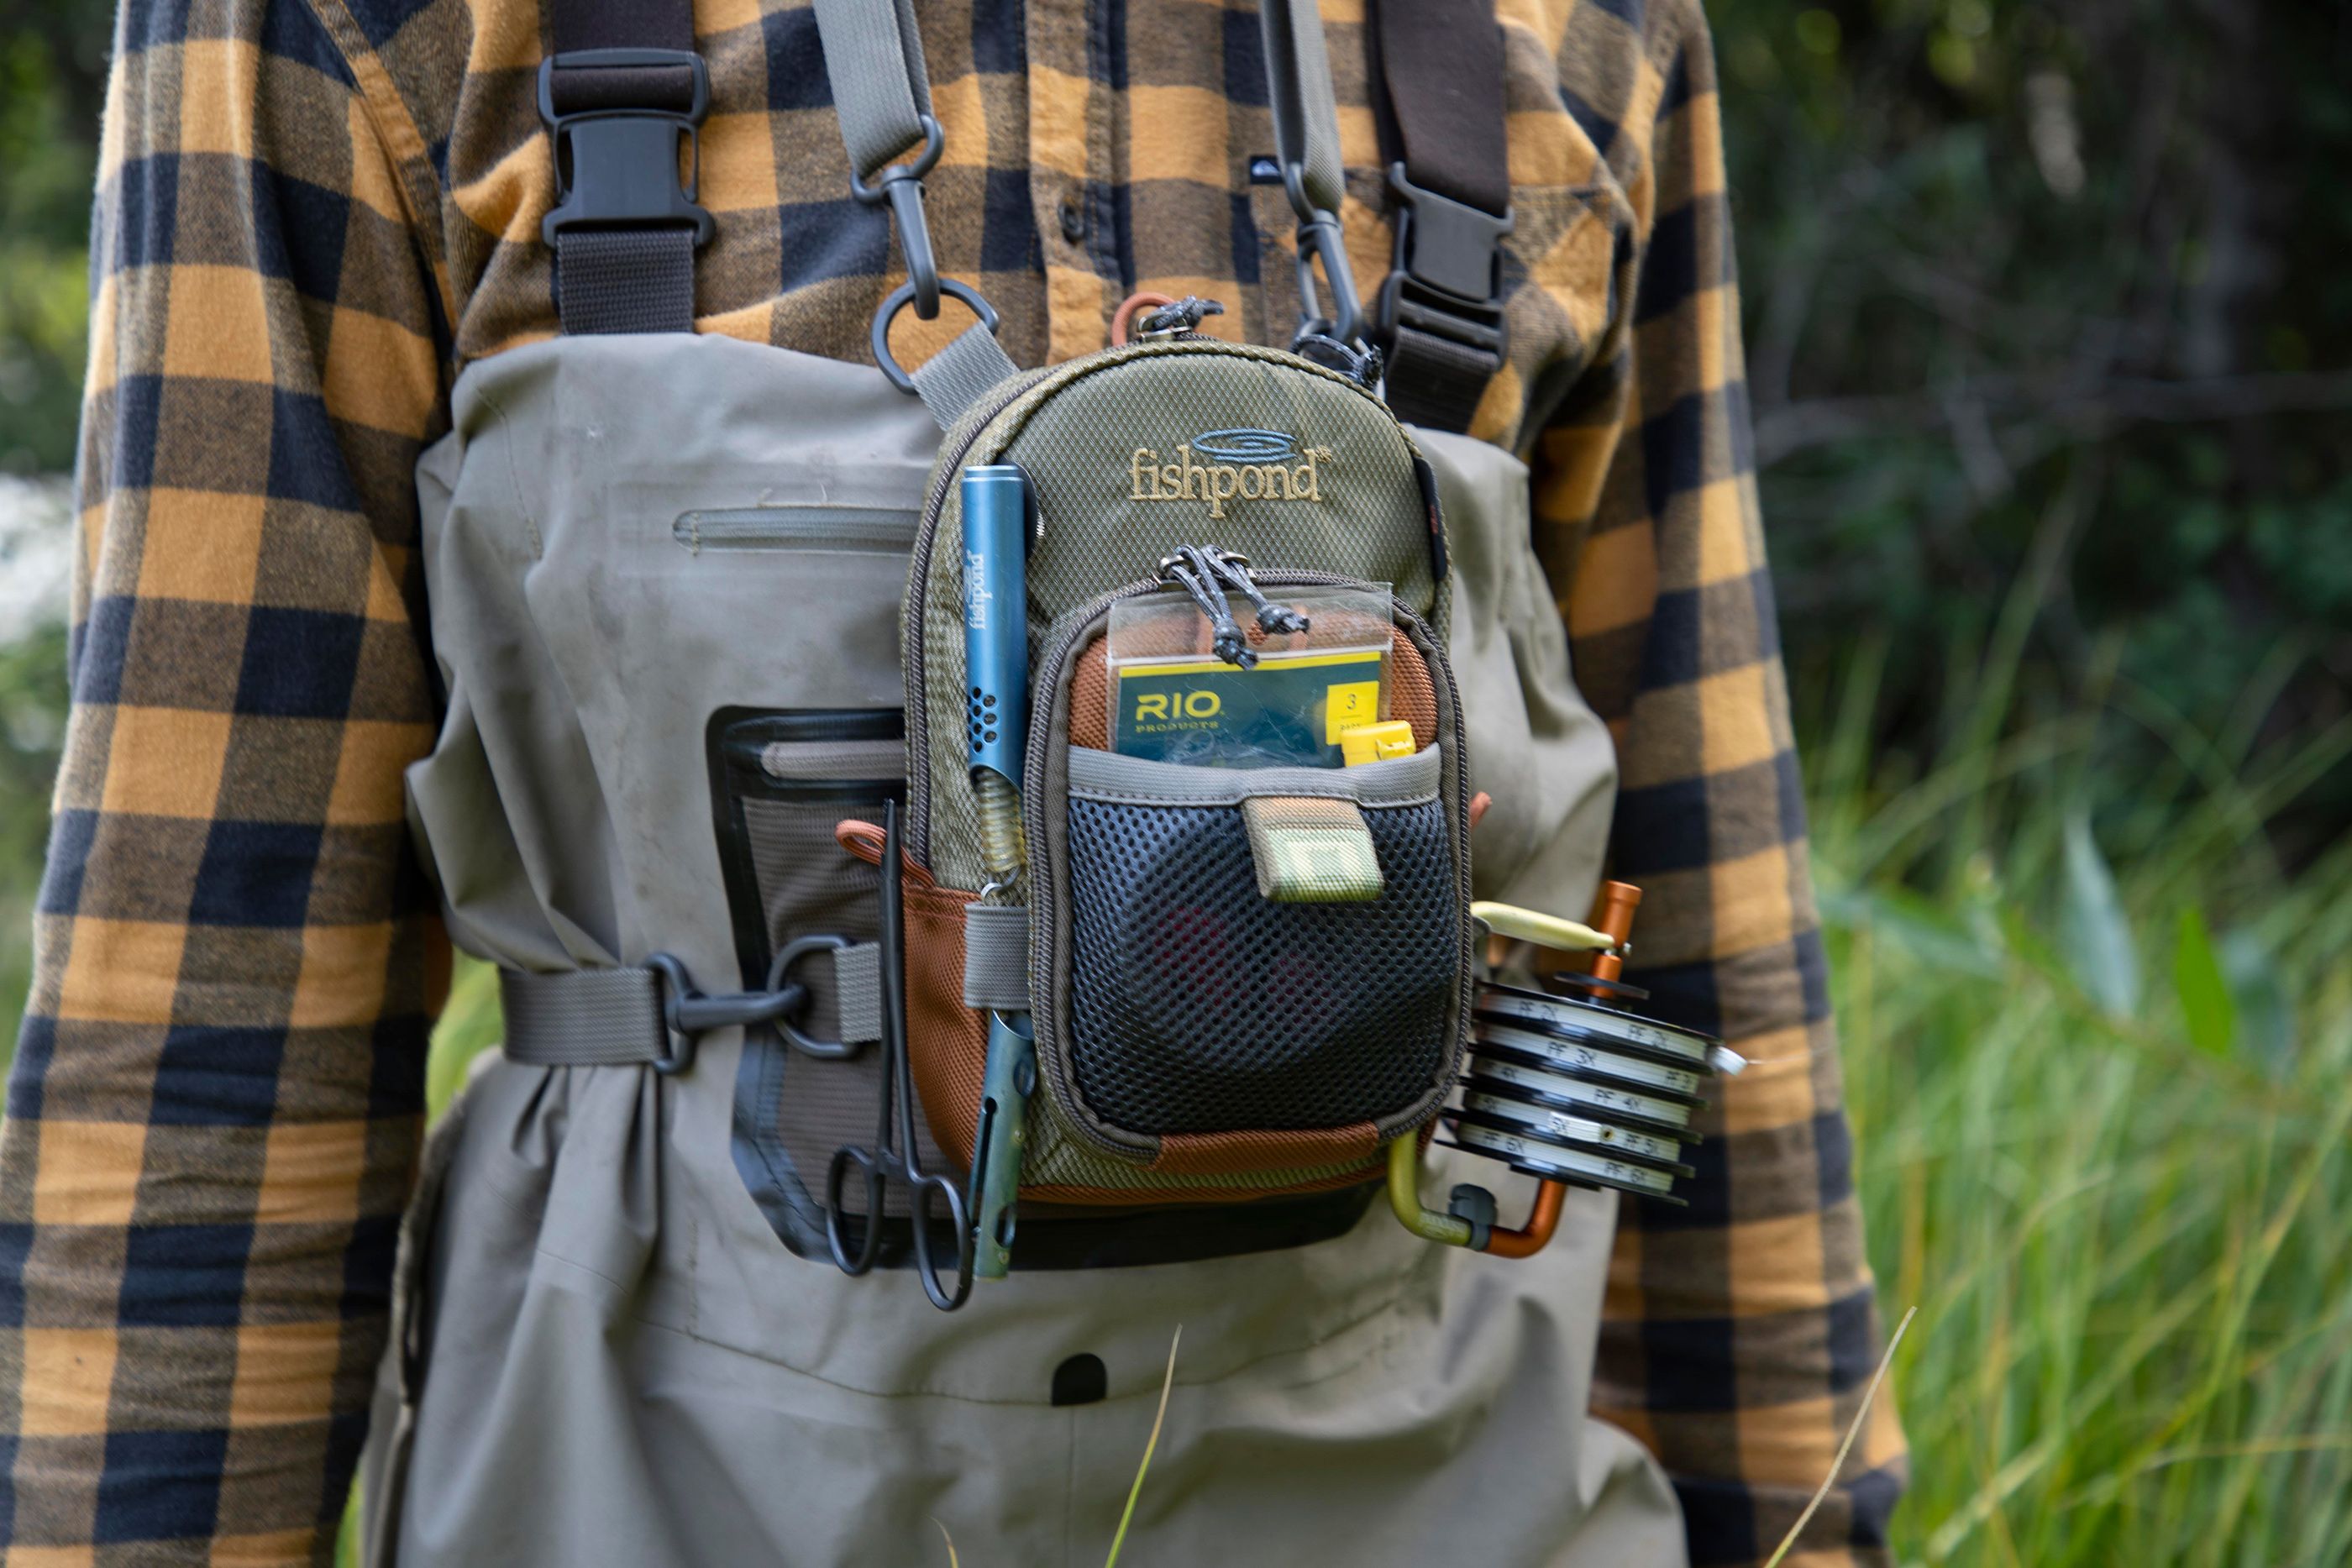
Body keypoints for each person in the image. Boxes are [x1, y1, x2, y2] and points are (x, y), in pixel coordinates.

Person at [0, 0, 1904, 1561]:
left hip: (1444, 1473)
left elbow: (1698, 898)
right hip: (641, 1480)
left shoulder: (1587, 28)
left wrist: (1812, 1532)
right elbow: (209, 991)